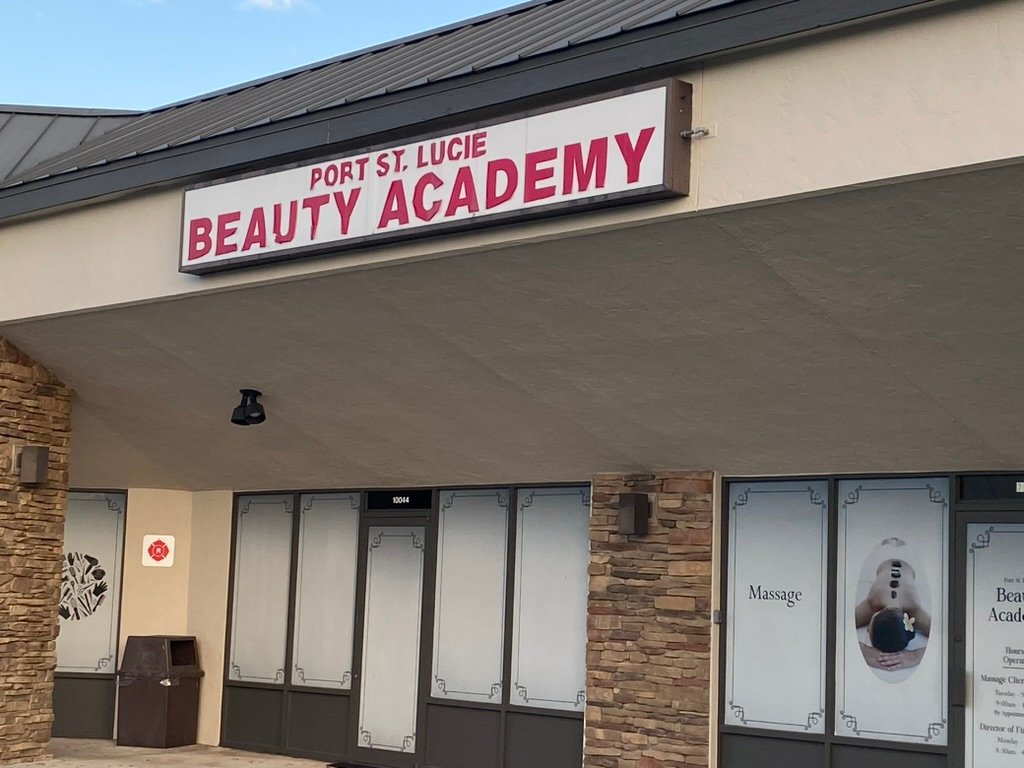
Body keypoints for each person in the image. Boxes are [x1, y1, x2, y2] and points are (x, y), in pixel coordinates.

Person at [855, 537, 931, 672]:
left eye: (868, 629)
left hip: (890, 560)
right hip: (897, 560)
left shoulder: (874, 604)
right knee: (894, 542)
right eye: (869, 628)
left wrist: (915, 656)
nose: (866, 629)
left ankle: (892, 542)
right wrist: (914, 656)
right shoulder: (875, 604)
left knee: (891, 542)